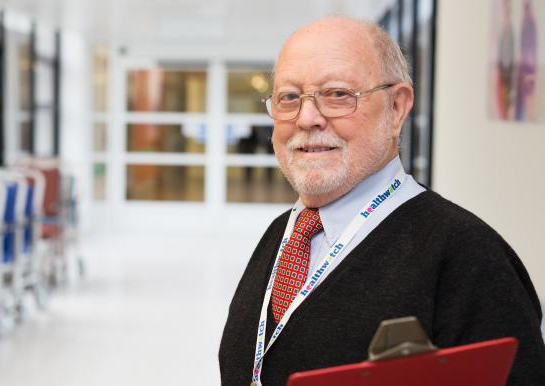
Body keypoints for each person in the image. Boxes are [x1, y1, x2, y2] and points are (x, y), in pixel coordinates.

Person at [218, 16, 545, 386]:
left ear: (396, 108)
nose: (307, 118)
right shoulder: (284, 234)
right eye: (289, 97)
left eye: (338, 94)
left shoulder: (469, 257)